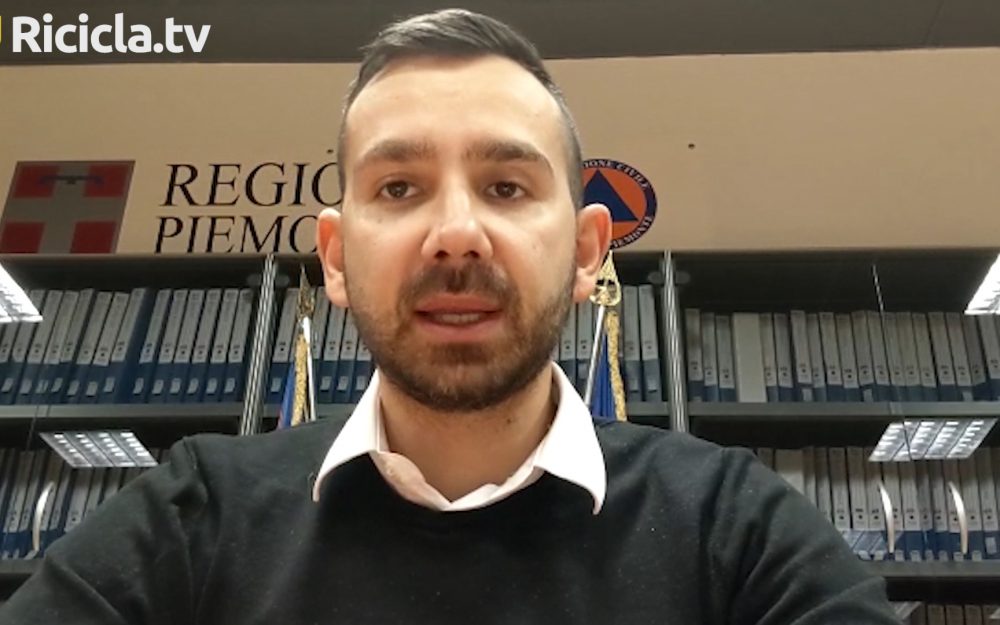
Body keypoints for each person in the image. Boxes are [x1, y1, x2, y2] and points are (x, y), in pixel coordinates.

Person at [1, 9, 898, 624]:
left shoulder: (735, 530)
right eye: (399, 188)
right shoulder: (195, 517)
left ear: (587, 252)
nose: (457, 233)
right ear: (336, 257)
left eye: (507, 187)